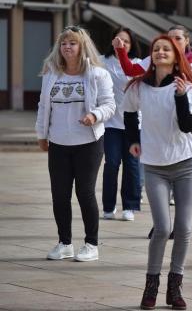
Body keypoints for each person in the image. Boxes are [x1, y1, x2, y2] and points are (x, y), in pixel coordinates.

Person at [122, 34, 192, 310]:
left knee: (183, 228)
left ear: (176, 55)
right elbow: (129, 115)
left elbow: (188, 124)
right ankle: (151, 285)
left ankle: (174, 287)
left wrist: (180, 97)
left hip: (186, 164)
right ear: (151, 56)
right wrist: (133, 140)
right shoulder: (138, 87)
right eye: (156, 49)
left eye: (166, 49)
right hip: (154, 166)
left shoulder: (185, 86)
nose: (160, 52)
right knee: (163, 228)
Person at [35, 26, 115, 261]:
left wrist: (95, 115)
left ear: (82, 47)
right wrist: (42, 134)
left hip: (88, 143)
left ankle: (91, 244)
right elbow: (42, 106)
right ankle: (64, 243)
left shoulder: (97, 74)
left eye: (72, 43)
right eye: (64, 43)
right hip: (58, 143)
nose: (67, 47)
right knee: (59, 195)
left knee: (84, 193)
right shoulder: (52, 74)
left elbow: (110, 105)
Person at [101, 27, 142, 221]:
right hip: (110, 123)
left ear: (132, 45)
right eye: (119, 40)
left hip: (134, 124)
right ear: (112, 41)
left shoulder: (138, 64)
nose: (123, 44)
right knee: (112, 164)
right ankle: (108, 206)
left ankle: (130, 206)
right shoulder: (102, 62)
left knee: (132, 165)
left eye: (127, 41)